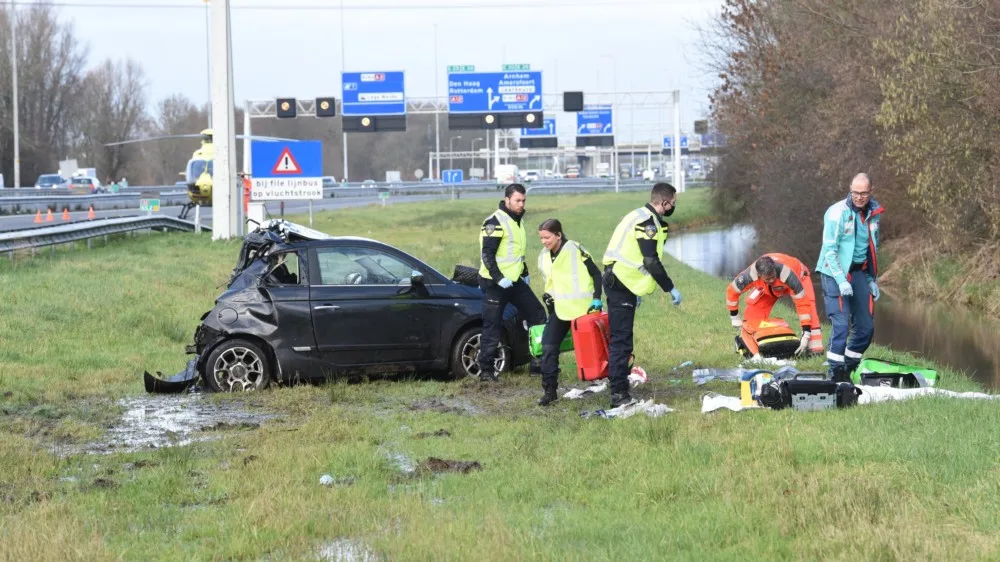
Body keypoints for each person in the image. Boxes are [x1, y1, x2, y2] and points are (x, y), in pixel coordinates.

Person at [602, 182, 682, 408]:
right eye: (673, 203)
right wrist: (669, 287)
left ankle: (619, 384)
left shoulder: (638, 215)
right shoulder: (647, 223)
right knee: (621, 340)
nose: (673, 207)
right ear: (664, 202)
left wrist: (635, 289)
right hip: (620, 282)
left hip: (622, 281)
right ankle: (618, 394)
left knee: (621, 338)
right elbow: (650, 260)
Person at [816, 173, 884, 382]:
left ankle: (847, 368)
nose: (859, 197)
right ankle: (834, 373)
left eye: (864, 193)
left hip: (859, 273)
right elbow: (829, 250)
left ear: (871, 192)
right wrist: (841, 280)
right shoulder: (837, 213)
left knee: (866, 329)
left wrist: (871, 278)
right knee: (842, 325)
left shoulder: (874, 213)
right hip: (833, 272)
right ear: (850, 189)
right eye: (855, 193)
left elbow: (872, 247)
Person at [477, 183, 546, 382]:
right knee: (493, 325)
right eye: (517, 200)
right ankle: (486, 371)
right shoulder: (494, 222)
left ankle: (538, 363)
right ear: (507, 200)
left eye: (523, 200)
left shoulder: (517, 221)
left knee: (537, 314)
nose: (521, 204)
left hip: (514, 281)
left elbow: (516, 254)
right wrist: (499, 278)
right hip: (494, 283)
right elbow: (487, 255)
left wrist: (524, 272)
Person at [535, 219, 603, 406]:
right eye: (541, 238)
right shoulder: (543, 256)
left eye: (547, 237)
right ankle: (550, 392)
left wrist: (597, 297)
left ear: (558, 235)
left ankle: (615, 382)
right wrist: (548, 298)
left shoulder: (575, 249)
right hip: (560, 310)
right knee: (548, 348)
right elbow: (551, 282)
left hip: (584, 309)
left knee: (598, 349)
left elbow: (596, 274)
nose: (544, 242)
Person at [726, 254, 824, 355]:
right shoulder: (749, 276)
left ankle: (815, 350)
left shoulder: (787, 275)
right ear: (759, 275)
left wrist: (806, 333)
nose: (771, 280)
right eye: (768, 279)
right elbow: (732, 291)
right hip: (767, 287)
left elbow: (803, 304)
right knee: (753, 314)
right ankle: (755, 348)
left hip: (800, 275)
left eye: (773, 277)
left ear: (774, 270)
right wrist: (734, 316)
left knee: (809, 307)